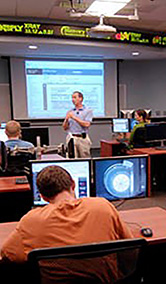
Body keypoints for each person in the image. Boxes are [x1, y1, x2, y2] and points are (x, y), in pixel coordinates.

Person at [1, 165, 133, 264]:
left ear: (43, 197)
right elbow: (131, 246)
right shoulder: (103, 206)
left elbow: (6, 255)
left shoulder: (31, 221)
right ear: (73, 184)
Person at [62, 91, 93, 158]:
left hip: (82, 138)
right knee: (71, 158)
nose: (73, 100)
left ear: (81, 98)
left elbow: (87, 124)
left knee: (85, 158)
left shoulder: (88, 111)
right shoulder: (70, 111)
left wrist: (74, 117)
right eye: (72, 98)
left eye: (75, 97)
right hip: (71, 138)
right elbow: (64, 128)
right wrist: (66, 119)